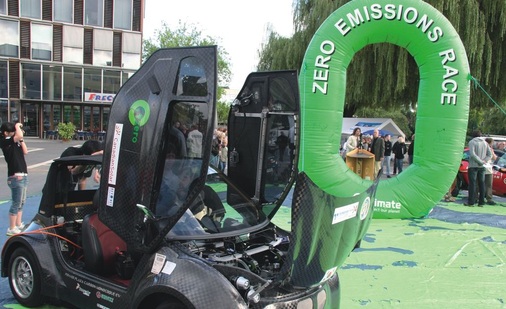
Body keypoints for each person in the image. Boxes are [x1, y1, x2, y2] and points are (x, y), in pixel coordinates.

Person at [1, 122, 28, 236]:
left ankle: (18, 224)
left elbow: (25, 151)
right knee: (16, 202)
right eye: (12, 131)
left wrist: (21, 140)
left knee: (21, 202)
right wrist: (17, 126)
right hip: (15, 176)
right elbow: (19, 135)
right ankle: (11, 227)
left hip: (23, 174)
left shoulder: (15, 142)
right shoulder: (4, 141)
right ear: (6, 133)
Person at [465, 130, 492, 207]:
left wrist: (479, 161)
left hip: (473, 166)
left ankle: (471, 202)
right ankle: (481, 202)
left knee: (472, 184)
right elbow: (489, 155)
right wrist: (484, 161)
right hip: (482, 166)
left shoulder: (472, 142)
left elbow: (472, 154)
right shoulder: (485, 143)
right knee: (482, 183)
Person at [484, 137, 497, 205]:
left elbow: (494, 157)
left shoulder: (490, 149)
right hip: (486, 167)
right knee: (488, 184)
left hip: (487, 168)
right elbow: (494, 158)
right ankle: (488, 198)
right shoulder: (485, 148)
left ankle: (477, 197)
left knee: (487, 184)